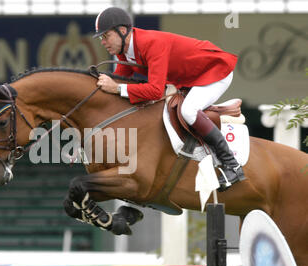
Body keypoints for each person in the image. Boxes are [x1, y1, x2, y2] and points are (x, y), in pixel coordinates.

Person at [93, 6, 245, 191]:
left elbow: (155, 91)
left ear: (122, 31)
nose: (103, 42)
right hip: (191, 79)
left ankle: (232, 165)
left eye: (105, 36)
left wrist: (117, 88)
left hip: (214, 71)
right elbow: (119, 82)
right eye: (101, 38)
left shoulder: (151, 43)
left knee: (187, 111)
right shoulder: (124, 52)